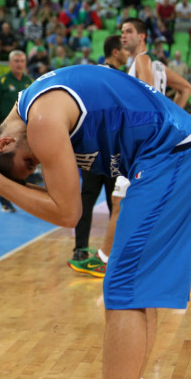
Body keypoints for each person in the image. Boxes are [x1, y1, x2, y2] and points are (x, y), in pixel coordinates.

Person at [0, 64, 191, 379]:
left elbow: (67, 213)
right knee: (137, 291)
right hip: (181, 152)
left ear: (5, 144)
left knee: (122, 289)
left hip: (172, 154)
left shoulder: (41, 119)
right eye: (30, 166)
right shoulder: (29, 107)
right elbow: (58, 198)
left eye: (28, 162)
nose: (36, 161)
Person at [68, 19, 191, 277]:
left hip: (142, 147)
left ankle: (105, 259)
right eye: (122, 32)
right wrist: (173, 121)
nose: (123, 36)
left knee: (121, 201)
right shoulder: (156, 64)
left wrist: (156, 127)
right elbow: (186, 89)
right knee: (141, 205)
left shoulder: (143, 62)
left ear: (142, 36)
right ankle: (167, 263)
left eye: (129, 32)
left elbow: (147, 102)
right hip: (154, 145)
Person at [67, 36, 124, 264]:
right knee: (108, 201)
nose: (128, 53)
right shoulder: (110, 76)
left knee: (100, 200)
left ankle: (83, 248)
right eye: (124, 49)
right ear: (115, 51)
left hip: (98, 147)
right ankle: (106, 250)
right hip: (104, 147)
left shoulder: (101, 74)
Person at [0, 50, 32, 212]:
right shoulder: (2, 81)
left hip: (24, 134)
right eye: (16, 61)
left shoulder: (30, 82)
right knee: (4, 167)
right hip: (5, 131)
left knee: (20, 166)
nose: (19, 64)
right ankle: (4, 201)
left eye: (22, 61)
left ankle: (20, 198)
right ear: (10, 63)